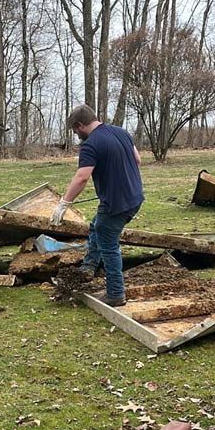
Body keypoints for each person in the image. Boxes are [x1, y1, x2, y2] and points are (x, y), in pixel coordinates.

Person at [50, 104, 143, 306]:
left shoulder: (90, 144)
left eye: (75, 131)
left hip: (116, 203)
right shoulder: (121, 132)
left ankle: (116, 293)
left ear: (80, 125)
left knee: (108, 244)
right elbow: (137, 159)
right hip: (135, 197)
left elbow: (82, 177)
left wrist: (64, 203)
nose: (76, 135)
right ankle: (88, 268)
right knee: (97, 226)